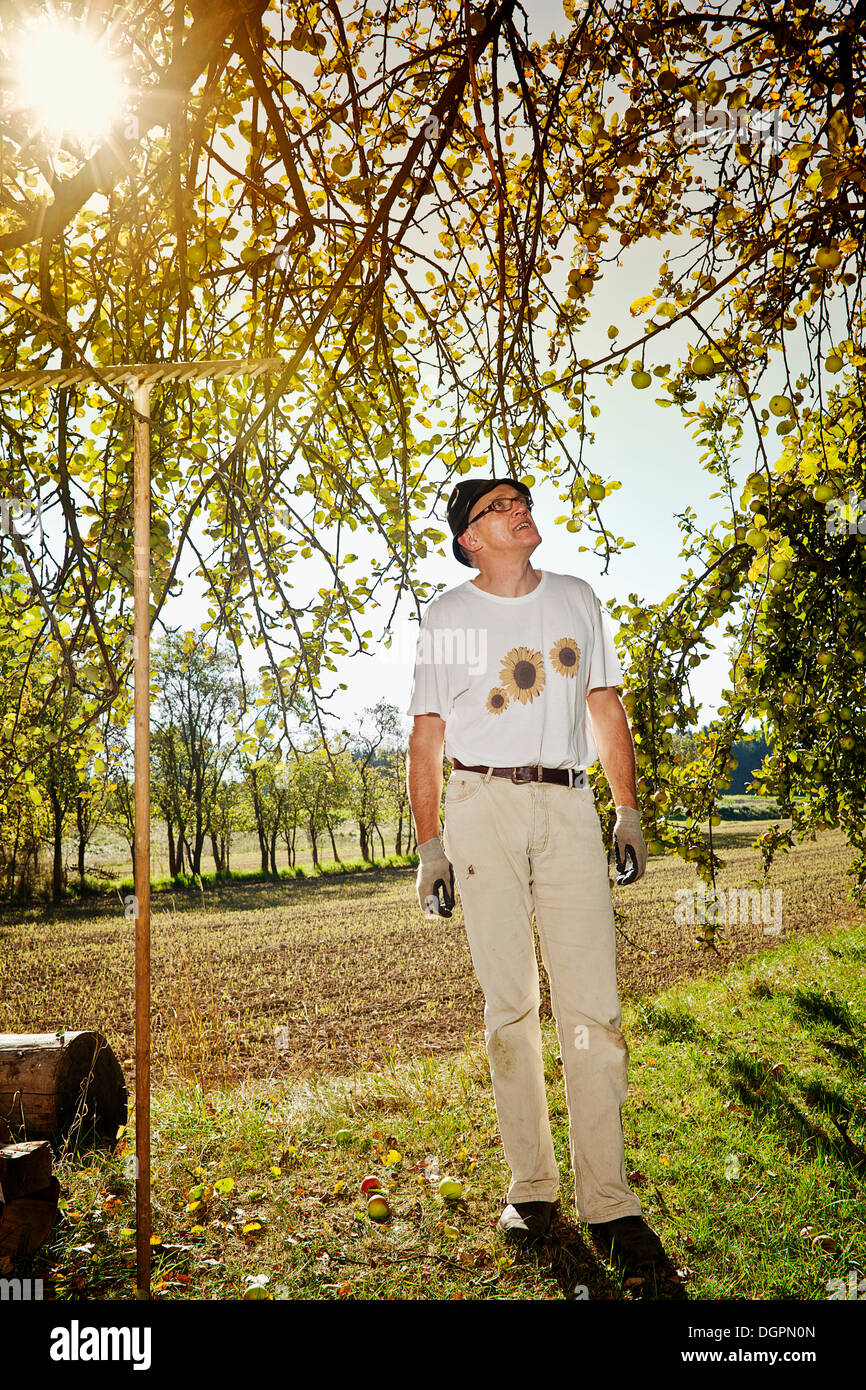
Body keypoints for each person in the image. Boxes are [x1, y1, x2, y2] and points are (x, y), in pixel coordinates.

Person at [405, 476, 669, 1273]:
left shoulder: (577, 599)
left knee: (593, 1003)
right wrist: (430, 846)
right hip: (480, 802)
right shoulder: (447, 617)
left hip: (566, 804)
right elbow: (425, 736)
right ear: (470, 538)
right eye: (502, 507)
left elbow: (604, 707)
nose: (523, 509)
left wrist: (625, 809)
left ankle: (611, 1203)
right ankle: (532, 1189)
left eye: (524, 500)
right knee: (509, 1003)